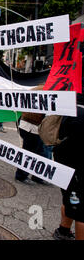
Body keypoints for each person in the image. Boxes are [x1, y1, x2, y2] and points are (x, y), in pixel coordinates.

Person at [52, 100, 84, 240]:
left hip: (65, 163)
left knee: (70, 199)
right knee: (80, 211)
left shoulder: (70, 108)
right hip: (74, 166)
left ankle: (63, 230)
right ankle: (63, 231)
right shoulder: (76, 113)